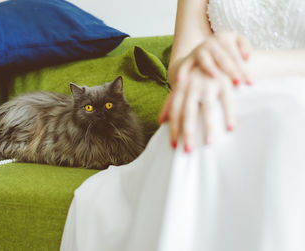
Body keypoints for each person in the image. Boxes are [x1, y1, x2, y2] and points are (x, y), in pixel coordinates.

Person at [60, 0, 305, 250]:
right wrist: (196, 64)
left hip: (294, 90)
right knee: (196, 122)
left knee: (287, 117)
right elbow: (180, 62)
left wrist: (239, 66)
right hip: (218, 95)